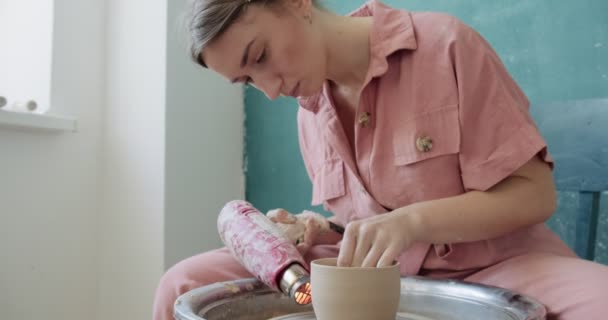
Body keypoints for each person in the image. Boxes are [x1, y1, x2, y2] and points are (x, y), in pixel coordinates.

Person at [153, 0, 608, 319]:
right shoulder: (309, 113)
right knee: (184, 283)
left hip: (495, 266)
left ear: (296, 2)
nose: (269, 89)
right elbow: (365, 218)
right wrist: (317, 228)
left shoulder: (446, 45)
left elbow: (535, 195)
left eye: (261, 56)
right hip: (375, 278)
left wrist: (412, 223)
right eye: (247, 80)